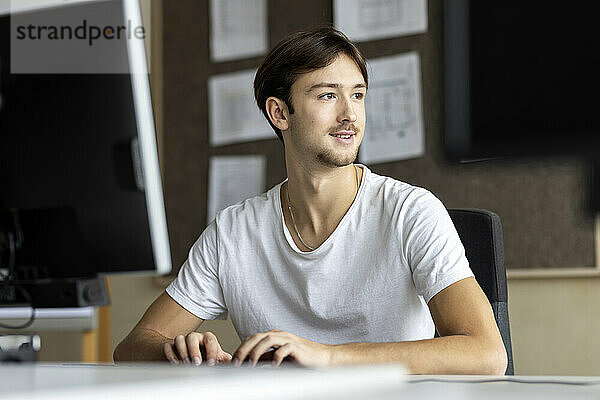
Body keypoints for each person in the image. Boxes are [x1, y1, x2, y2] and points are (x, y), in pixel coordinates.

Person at [114, 27, 508, 375]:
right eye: (327, 96)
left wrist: (328, 357)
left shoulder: (411, 211)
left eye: (357, 94)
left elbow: (487, 354)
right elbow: (132, 346)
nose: (349, 114)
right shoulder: (233, 232)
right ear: (279, 112)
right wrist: (180, 352)